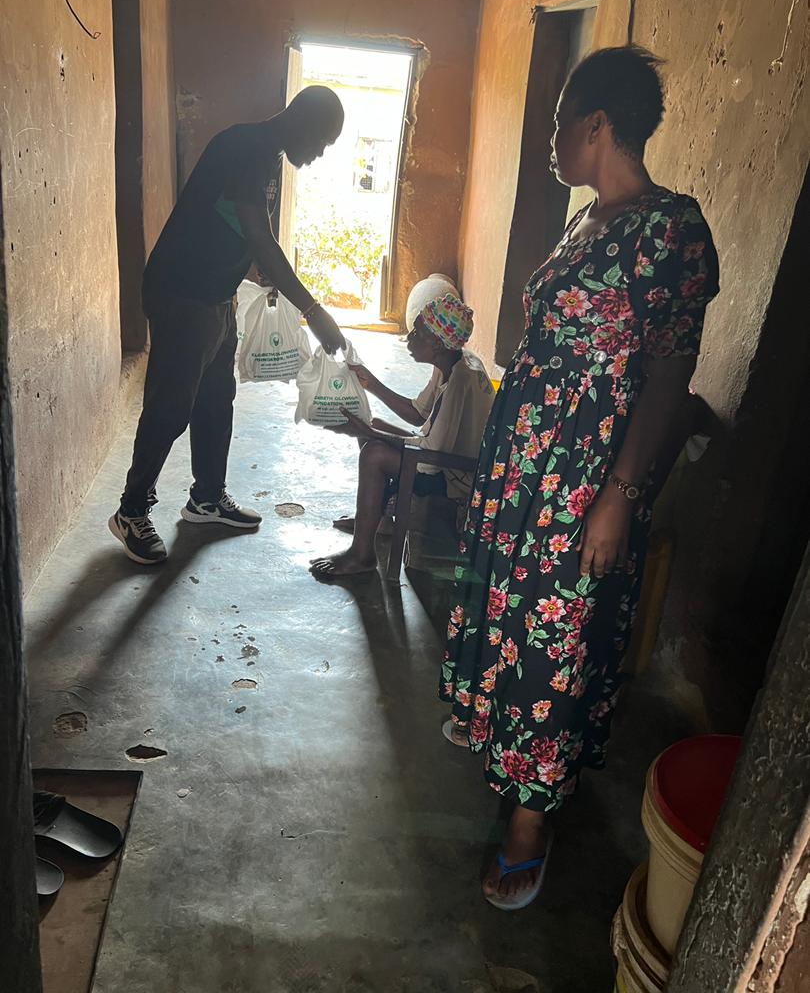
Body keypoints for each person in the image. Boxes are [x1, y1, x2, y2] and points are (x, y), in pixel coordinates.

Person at [439, 47, 719, 911]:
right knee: (510, 619)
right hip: (526, 466)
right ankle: (500, 744)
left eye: (561, 124)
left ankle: (529, 825)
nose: (554, 141)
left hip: (584, 480)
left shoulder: (671, 229)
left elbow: (669, 377)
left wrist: (618, 497)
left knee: (553, 643)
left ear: (597, 124)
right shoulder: (586, 219)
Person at [109, 86, 346, 564]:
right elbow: (259, 236)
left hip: (216, 293)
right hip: (182, 291)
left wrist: (256, 272)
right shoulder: (245, 146)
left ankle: (206, 498)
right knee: (171, 404)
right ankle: (131, 510)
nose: (319, 155)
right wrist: (313, 310)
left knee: (217, 396)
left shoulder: (269, 156)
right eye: (322, 143)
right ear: (303, 122)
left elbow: (246, 227)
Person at [310, 294, 494, 578]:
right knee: (372, 425)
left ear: (437, 344)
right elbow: (418, 414)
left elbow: (429, 458)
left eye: (417, 333)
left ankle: (362, 555)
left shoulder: (460, 379)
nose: (409, 338)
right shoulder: (453, 362)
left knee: (373, 454)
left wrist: (370, 433)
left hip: (457, 474)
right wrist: (371, 383)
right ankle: (376, 519)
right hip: (444, 457)